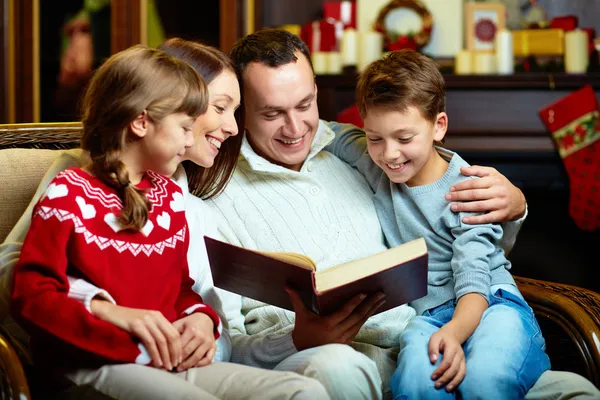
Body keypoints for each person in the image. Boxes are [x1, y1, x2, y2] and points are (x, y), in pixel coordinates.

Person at [208, 28, 600, 400]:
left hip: (435, 327)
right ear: (242, 113)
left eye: (305, 105)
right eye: (272, 113)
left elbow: (471, 248)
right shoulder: (215, 194)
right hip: (355, 356)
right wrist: (297, 339)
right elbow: (224, 346)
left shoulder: (356, 151)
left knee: (573, 391)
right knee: (352, 368)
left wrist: (516, 204)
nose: (295, 128)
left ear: (316, 95)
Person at [6, 44, 328, 400]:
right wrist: (108, 312)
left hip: (166, 362)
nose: (231, 128)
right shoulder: (71, 189)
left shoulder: (171, 199)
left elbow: (180, 289)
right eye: (214, 110)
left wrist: (202, 318)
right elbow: (29, 288)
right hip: (97, 362)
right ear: (143, 121)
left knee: (303, 392)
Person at [329, 49, 551, 398]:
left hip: (490, 303)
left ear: (438, 126)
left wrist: (456, 332)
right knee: (417, 382)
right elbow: (330, 134)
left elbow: (474, 277)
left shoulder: (469, 191)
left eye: (404, 138)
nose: (389, 153)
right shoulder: (376, 162)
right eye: (375, 138)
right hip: (427, 315)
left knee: (485, 378)